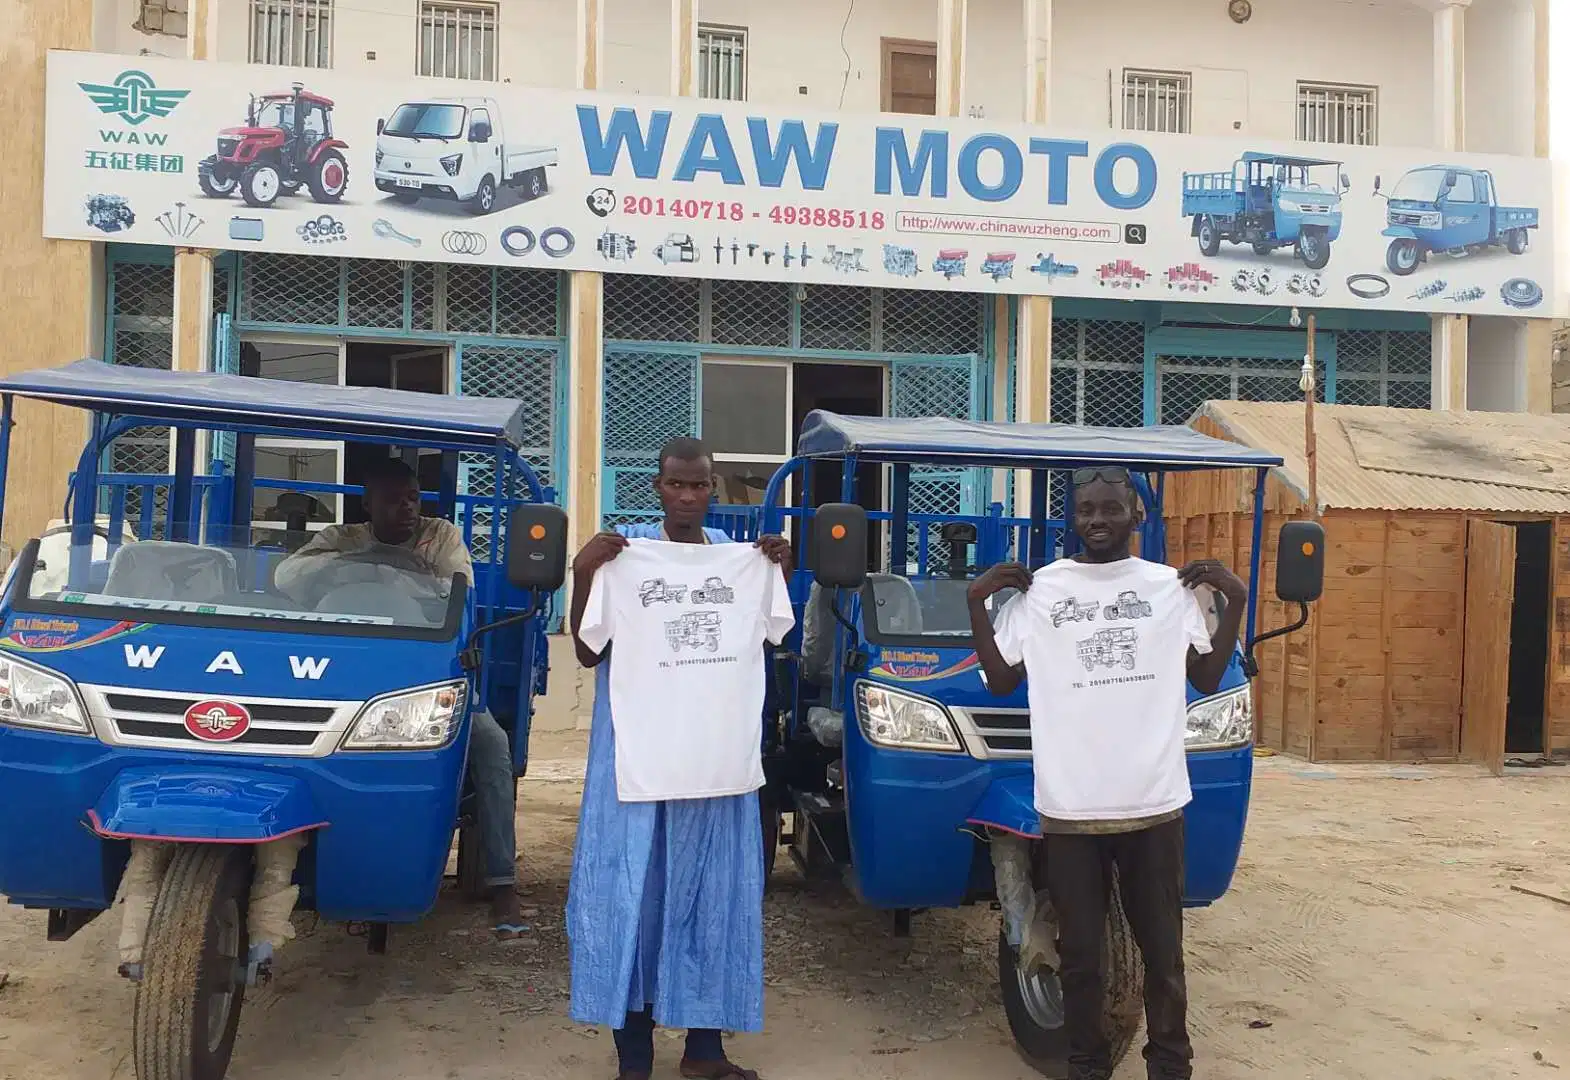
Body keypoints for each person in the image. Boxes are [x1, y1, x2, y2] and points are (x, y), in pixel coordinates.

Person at [965, 466, 1247, 1080]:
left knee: (1163, 957)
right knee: (1082, 957)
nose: (1097, 520)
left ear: (1137, 517)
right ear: (1072, 516)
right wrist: (976, 605)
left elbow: (1204, 677)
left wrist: (1237, 603)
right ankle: (1087, 1066)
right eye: (1085, 509)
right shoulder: (1042, 590)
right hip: (1069, 808)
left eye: (1111, 509)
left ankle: (1170, 1065)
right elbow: (1001, 679)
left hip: (1153, 801)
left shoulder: (1166, 588)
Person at [567, 436, 792, 1080]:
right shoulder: (624, 551)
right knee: (634, 895)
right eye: (676, 485)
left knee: (711, 892)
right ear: (658, 487)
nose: (688, 497)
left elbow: (780, 633)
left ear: (713, 489)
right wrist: (584, 572)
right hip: (636, 756)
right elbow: (587, 654)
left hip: (714, 761)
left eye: (699, 486)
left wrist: (780, 565)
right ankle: (632, 1056)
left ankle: (704, 1049)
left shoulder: (737, 557)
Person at [274, 456, 527, 936]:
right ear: (367, 503)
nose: (407, 508)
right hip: (341, 673)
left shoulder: (441, 536)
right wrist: (373, 564)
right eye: (393, 499)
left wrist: (389, 571)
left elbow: (460, 590)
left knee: (491, 747)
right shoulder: (341, 539)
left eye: (413, 497)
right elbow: (285, 578)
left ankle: (502, 883)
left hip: (424, 673)